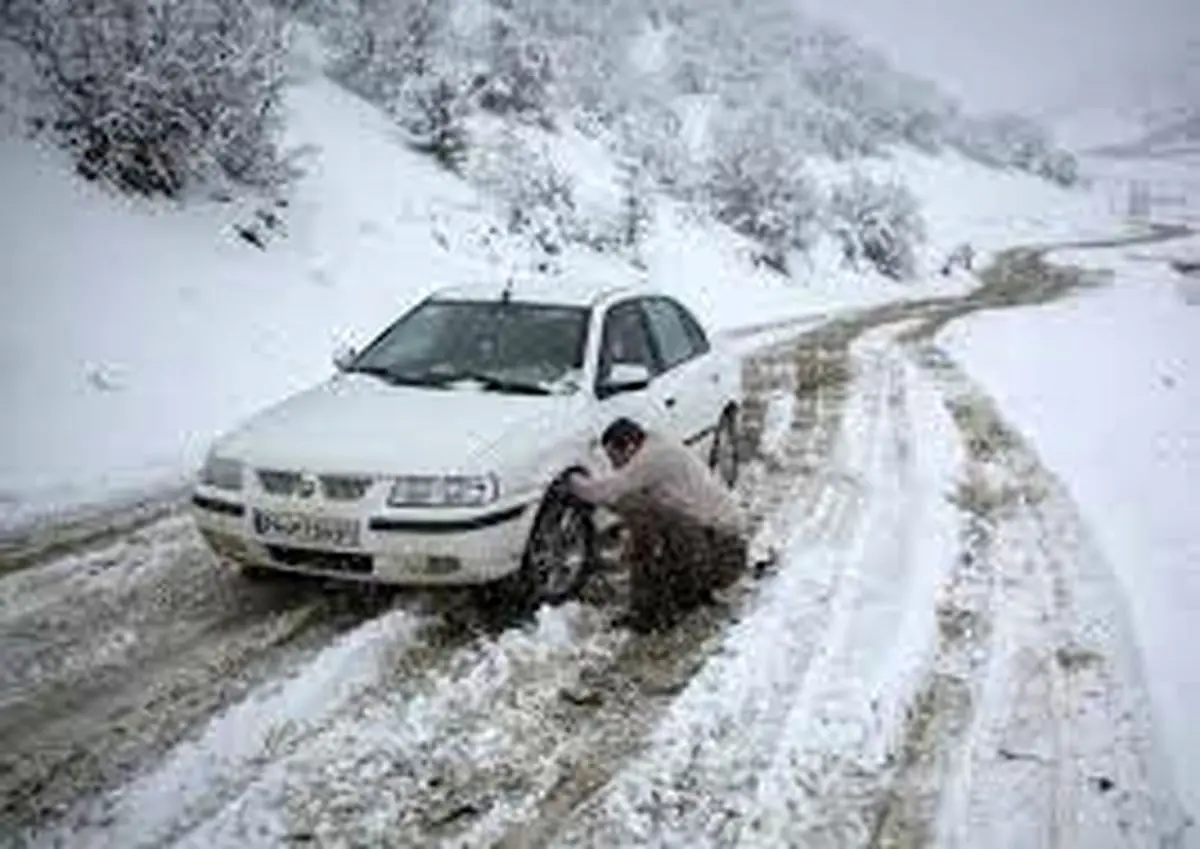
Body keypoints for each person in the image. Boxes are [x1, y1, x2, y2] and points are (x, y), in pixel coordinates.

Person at [563, 417, 749, 632]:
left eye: (616, 458)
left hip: (722, 554)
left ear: (631, 446)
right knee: (648, 513)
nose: (615, 466)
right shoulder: (657, 444)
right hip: (721, 545)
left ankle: (655, 612)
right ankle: (685, 593)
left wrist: (570, 482)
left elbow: (605, 492)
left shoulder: (652, 459)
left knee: (637, 510)